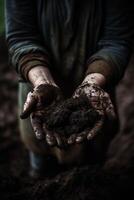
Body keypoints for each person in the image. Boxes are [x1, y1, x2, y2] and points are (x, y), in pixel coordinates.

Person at [5, 0, 132, 178]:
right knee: (41, 168)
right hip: (41, 97)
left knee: (91, 172)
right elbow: (21, 38)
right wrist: (42, 82)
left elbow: (117, 41)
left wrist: (92, 83)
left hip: (95, 94)